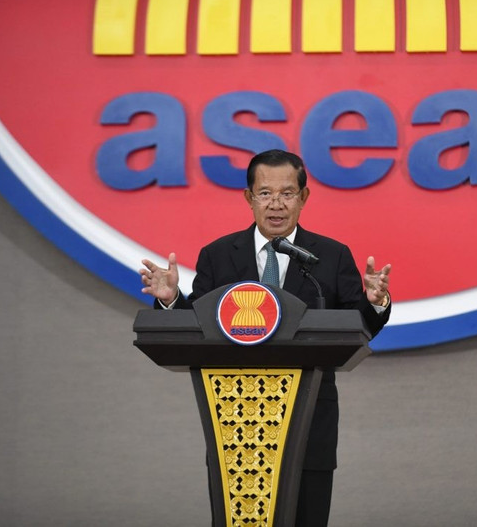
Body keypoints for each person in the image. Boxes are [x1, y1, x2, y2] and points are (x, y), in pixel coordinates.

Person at [139, 149, 391, 527]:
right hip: (235, 419)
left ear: (304, 198)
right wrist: (171, 299)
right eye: (265, 193)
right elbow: (198, 326)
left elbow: (361, 325)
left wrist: (377, 302)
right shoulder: (218, 255)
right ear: (249, 197)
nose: (276, 204)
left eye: (287, 193)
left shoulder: (331, 256)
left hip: (309, 418)